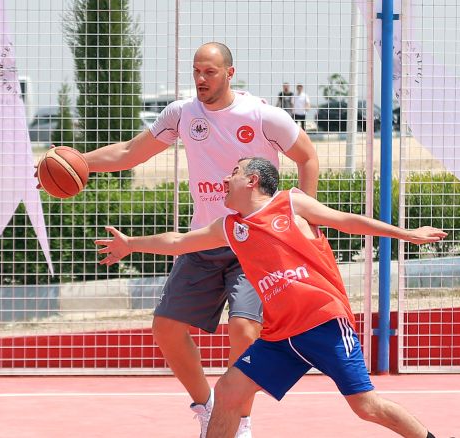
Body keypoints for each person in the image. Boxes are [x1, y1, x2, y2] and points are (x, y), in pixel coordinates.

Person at [42, 42, 319, 437]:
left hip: (253, 242)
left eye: (210, 72)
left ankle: (238, 420)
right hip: (204, 239)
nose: (201, 79)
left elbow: (307, 157)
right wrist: (74, 164)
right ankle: (208, 407)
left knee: (244, 331)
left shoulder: (262, 115)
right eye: (196, 71)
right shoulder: (183, 114)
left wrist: (302, 219)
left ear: (229, 73)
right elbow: (130, 152)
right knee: (166, 328)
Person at [95, 157, 446, 438]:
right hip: (280, 336)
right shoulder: (231, 227)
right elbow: (178, 242)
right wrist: (131, 244)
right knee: (228, 392)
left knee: (366, 406)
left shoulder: (290, 202)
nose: (224, 179)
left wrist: (407, 234)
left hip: (323, 322)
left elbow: (346, 220)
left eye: (234, 172)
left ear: (252, 180)